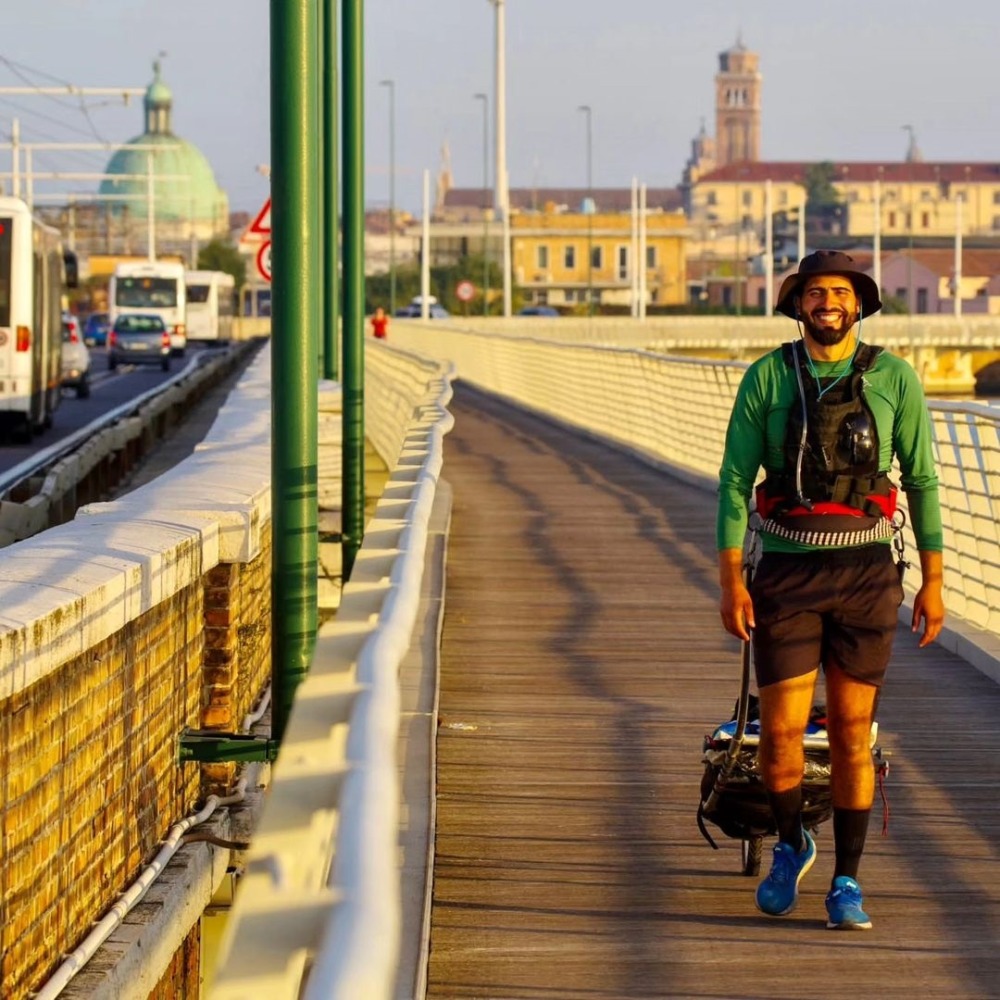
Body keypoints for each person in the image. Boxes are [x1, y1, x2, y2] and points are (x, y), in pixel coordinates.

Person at [716, 250, 945, 930]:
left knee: (851, 731)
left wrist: (934, 581)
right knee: (779, 736)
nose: (828, 302)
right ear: (797, 305)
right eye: (816, 292)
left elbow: (924, 479)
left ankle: (847, 881)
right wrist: (730, 581)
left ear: (859, 303)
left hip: (868, 573)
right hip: (786, 572)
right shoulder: (767, 377)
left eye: (840, 292)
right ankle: (791, 844)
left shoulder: (895, 378)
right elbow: (734, 480)